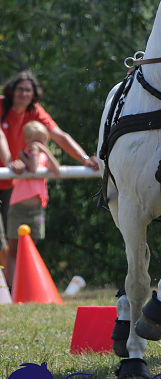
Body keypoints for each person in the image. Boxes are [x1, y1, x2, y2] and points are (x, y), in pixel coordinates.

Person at [0, 71, 99, 271]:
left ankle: (11, 288)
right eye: (20, 89)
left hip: (13, 184)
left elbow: (59, 135)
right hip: (9, 171)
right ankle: (9, 286)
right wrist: (10, 162)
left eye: (28, 90)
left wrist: (85, 159)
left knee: (14, 241)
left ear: (34, 93)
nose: (23, 94)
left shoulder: (35, 111)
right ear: (11, 91)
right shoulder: (1, 105)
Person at [3, 122, 61, 284]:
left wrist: (46, 152)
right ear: (27, 141)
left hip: (36, 209)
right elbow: (33, 169)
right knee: (13, 249)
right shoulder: (23, 155)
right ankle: (13, 286)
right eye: (35, 140)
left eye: (43, 140)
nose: (39, 144)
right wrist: (34, 152)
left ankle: (29, 284)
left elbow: (57, 170)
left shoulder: (44, 156)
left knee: (31, 249)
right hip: (18, 207)